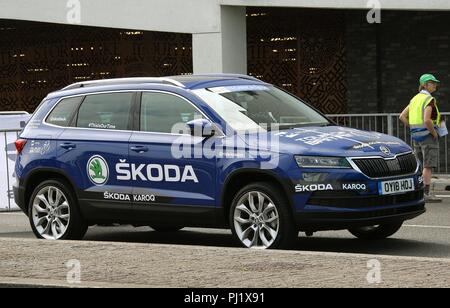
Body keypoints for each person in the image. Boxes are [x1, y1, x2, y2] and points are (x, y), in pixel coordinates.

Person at [399, 73, 443, 203]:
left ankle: (418, 192)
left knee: (419, 164)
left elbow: (402, 116)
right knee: (428, 165)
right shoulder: (429, 100)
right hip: (427, 136)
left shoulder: (415, 99)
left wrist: (414, 128)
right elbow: (427, 120)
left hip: (416, 136)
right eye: (432, 82)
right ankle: (426, 194)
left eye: (435, 82)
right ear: (425, 85)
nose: (435, 85)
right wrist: (434, 133)